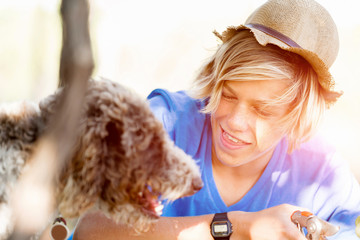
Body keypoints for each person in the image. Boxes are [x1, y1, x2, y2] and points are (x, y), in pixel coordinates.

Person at [72, 0, 360, 239]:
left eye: (262, 110)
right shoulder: (165, 124)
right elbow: (90, 229)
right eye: (229, 95)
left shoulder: (322, 173)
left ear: (298, 115)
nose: (234, 121)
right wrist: (234, 226)